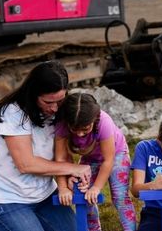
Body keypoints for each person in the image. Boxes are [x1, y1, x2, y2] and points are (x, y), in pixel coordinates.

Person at [0, 60, 92, 231]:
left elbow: (61, 153)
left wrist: (69, 179)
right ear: (33, 94)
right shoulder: (13, 112)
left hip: (45, 195)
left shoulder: (60, 111)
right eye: (48, 102)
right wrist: (73, 168)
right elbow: (26, 164)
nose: (55, 108)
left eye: (60, 101)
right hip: (6, 198)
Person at [54, 92, 137, 231]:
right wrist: (62, 187)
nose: (80, 134)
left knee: (120, 197)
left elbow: (108, 160)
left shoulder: (104, 121)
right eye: (74, 129)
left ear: (94, 119)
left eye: (85, 129)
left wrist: (96, 188)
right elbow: (61, 159)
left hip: (116, 155)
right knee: (84, 196)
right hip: (89, 158)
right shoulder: (61, 123)